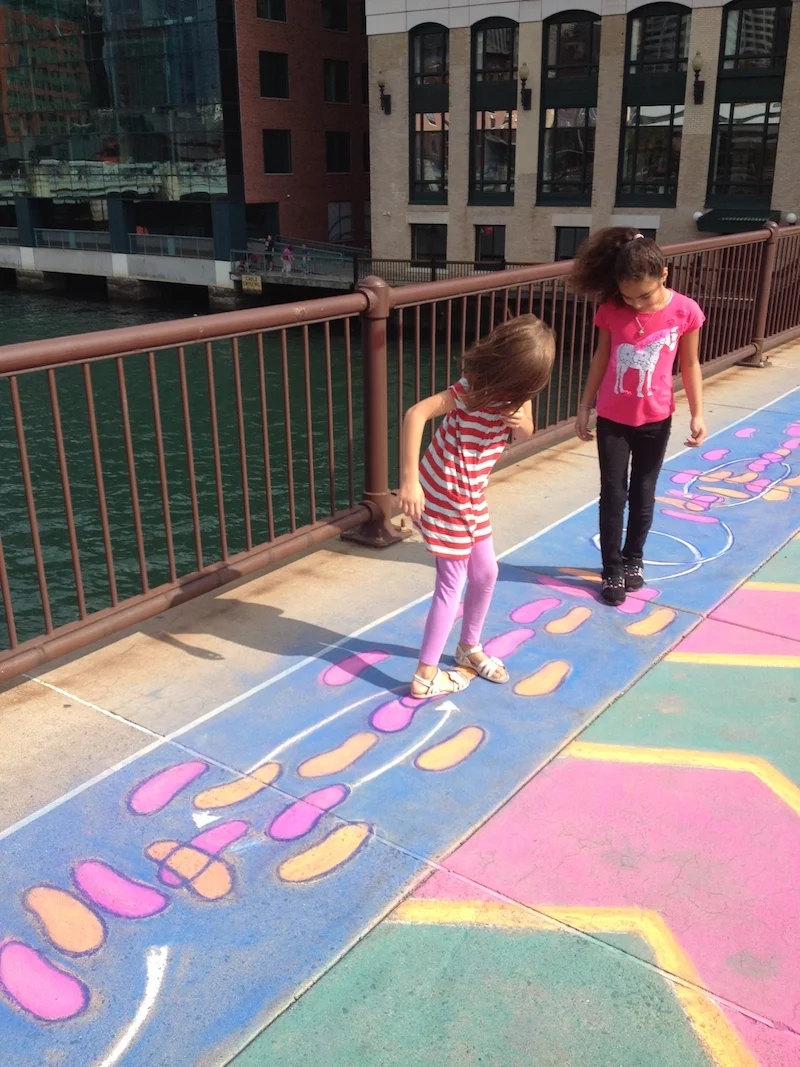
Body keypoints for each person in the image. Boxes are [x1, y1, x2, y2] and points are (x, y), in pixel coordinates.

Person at [399, 315, 556, 697]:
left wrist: (521, 422)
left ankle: (468, 648)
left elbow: (526, 432)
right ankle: (425, 676)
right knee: (451, 584)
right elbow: (415, 414)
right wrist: (407, 481)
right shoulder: (471, 390)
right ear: (501, 368)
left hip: (470, 493)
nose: (522, 393)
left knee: (485, 573)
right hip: (445, 491)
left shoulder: (519, 393)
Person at [571, 228, 707, 605]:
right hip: (613, 419)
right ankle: (611, 568)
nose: (637, 305)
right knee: (613, 494)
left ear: (664, 274)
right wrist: (585, 406)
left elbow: (691, 363)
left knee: (644, 491)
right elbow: (601, 358)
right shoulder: (611, 309)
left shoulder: (685, 311)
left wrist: (698, 413)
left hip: (656, 419)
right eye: (628, 297)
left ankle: (634, 560)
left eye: (644, 296)